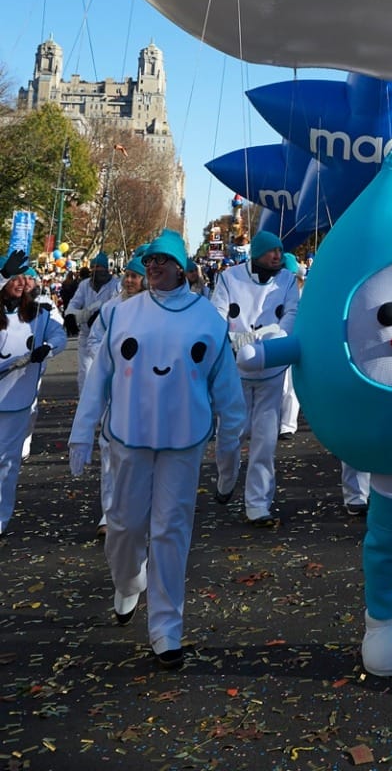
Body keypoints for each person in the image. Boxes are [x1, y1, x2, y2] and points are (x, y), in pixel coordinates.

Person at [69, 229, 245, 666]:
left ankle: (167, 629)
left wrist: (229, 454)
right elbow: (99, 381)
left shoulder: (207, 318)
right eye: (149, 261)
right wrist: (81, 430)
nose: (154, 268)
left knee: (171, 532)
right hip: (129, 436)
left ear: (182, 267)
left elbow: (228, 393)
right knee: (125, 527)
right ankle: (128, 581)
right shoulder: (119, 315)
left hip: (183, 442)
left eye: (163, 261)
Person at [212, 229, 301, 523]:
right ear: (257, 253)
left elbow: (291, 315)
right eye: (271, 250)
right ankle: (226, 478)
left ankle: (258, 504)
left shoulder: (288, 280)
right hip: (235, 372)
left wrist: (266, 337)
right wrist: (232, 337)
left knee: (265, 442)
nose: (277, 255)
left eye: (279, 250)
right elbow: (216, 315)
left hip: (271, 369)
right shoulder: (229, 278)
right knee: (230, 436)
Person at [0, 262, 67, 535]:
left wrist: (48, 348)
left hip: (17, 400)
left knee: (7, 460)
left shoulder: (39, 315)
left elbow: (59, 335)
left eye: (23, 278)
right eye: (11, 277)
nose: (19, 282)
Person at [87, 254, 148, 534]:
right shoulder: (110, 308)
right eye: (128, 276)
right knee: (109, 450)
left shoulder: (154, 309)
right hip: (115, 391)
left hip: (147, 395)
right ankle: (108, 514)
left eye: (135, 276)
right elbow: (95, 341)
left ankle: (137, 511)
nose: (130, 280)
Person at [67, 253, 121, 394]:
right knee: (85, 373)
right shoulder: (85, 285)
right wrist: (70, 315)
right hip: (85, 335)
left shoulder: (116, 285)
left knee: (105, 375)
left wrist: (100, 315)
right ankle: (84, 408)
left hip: (107, 338)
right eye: (94, 267)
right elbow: (74, 303)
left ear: (107, 268)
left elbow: (116, 305)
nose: (97, 270)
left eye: (100, 266)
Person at [279, 253, 305, 438]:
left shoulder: (307, 290)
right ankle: (277, 422)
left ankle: (287, 425)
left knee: (291, 384)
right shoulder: (276, 290)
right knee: (278, 384)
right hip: (278, 340)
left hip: (298, 341)